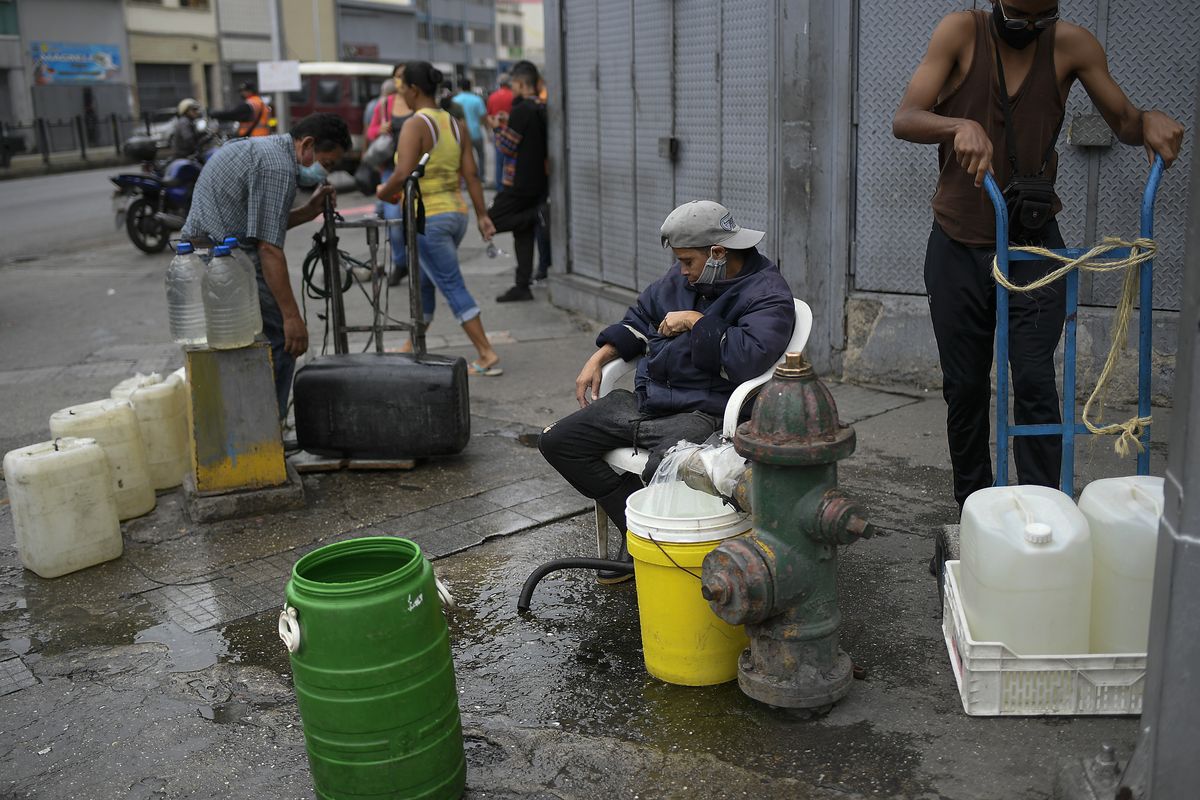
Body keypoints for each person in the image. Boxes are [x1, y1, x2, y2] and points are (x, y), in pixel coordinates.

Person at [892, 0, 1184, 512]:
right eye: (1017, 15)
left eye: (1040, 19)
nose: (1027, 27)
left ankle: (1045, 511)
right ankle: (975, 512)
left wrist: (1150, 121)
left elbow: (1125, 120)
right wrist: (956, 125)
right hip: (958, 243)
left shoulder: (1073, 45)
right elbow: (906, 117)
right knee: (964, 389)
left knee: (1032, 380)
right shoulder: (961, 31)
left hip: (1032, 241)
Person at [539, 201, 795, 582]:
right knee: (559, 442)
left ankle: (663, 557)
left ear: (718, 254)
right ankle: (635, 529)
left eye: (687, 261)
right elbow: (639, 319)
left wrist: (696, 321)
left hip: (705, 413)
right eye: (679, 261)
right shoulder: (685, 279)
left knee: (663, 469)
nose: (681, 271)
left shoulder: (767, 293)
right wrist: (601, 355)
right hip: (648, 403)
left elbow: (749, 359)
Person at [182, 113, 351, 418]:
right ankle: (266, 435)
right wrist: (292, 317)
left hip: (208, 250)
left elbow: (262, 226)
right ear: (308, 144)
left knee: (251, 342)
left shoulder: (268, 150)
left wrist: (308, 211)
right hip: (222, 258)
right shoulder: (277, 166)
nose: (324, 174)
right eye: (326, 164)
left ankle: (250, 423)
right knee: (285, 341)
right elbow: (268, 249)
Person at [376, 61, 503, 377]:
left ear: (414, 90)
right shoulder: (454, 122)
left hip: (427, 217)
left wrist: (382, 191)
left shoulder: (415, 124)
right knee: (426, 279)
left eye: (401, 85)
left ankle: (486, 353)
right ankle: (413, 343)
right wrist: (482, 215)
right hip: (455, 213)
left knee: (449, 282)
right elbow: (471, 174)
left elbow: (403, 173)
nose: (398, 90)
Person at [489, 61, 548, 303]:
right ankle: (522, 285)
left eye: (514, 83)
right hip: (538, 181)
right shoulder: (540, 108)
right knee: (522, 234)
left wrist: (496, 129)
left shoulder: (521, 110)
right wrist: (507, 121)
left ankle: (537, 216)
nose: (512, 87)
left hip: (519, 182)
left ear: (522, 84)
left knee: (491, 221)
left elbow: (507, 146)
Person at [367, 64, 414, 285]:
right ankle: (400, 262)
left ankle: (418, 263)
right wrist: (380, 129)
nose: (399, 82)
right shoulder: (385, 104)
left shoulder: (420, 104)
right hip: (390, 171)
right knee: (394, 220)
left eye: (403, 77)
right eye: (396, 77)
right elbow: (370, 131)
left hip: (417, 172)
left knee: (419, 220)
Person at [452, 79, 489, 183]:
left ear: (460, 87)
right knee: (481, 155)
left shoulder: (455, 100)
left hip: (461, 134)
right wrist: (488, 131)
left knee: (462, 157)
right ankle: (481, 177)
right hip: (476, 132)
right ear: (470, 87)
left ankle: (463, 179)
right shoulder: (477, 99)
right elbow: (483, 117)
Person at [486, 74, 514, 189]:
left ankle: (499, 187)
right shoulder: (513, 96)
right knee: (511, 161)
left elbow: (489, 115)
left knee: (499, 162)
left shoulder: (492, 97)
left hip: (497, 132)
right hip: (512, 133)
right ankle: (510, 185)